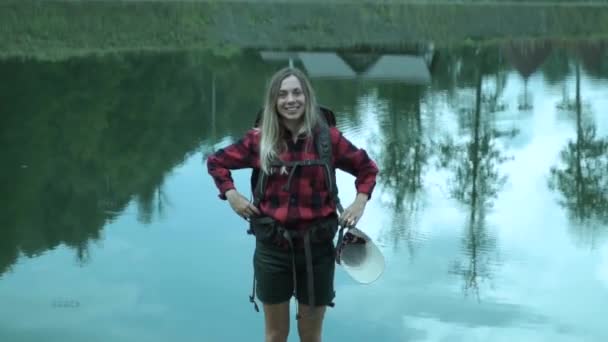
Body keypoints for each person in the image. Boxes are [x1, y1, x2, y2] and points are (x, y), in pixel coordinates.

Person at [206, 67, 379, 342]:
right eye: (283, 94)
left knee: (311, 336)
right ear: (273, 101)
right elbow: (216, 162)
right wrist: (232, 195)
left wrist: (359, 203)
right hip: (273, 250)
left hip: (318, 251)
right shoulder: (259, 140)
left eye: (297, 92)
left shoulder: (328, 139)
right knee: (275, 336)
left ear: (307, 97)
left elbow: (367, 169)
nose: (291, 100)